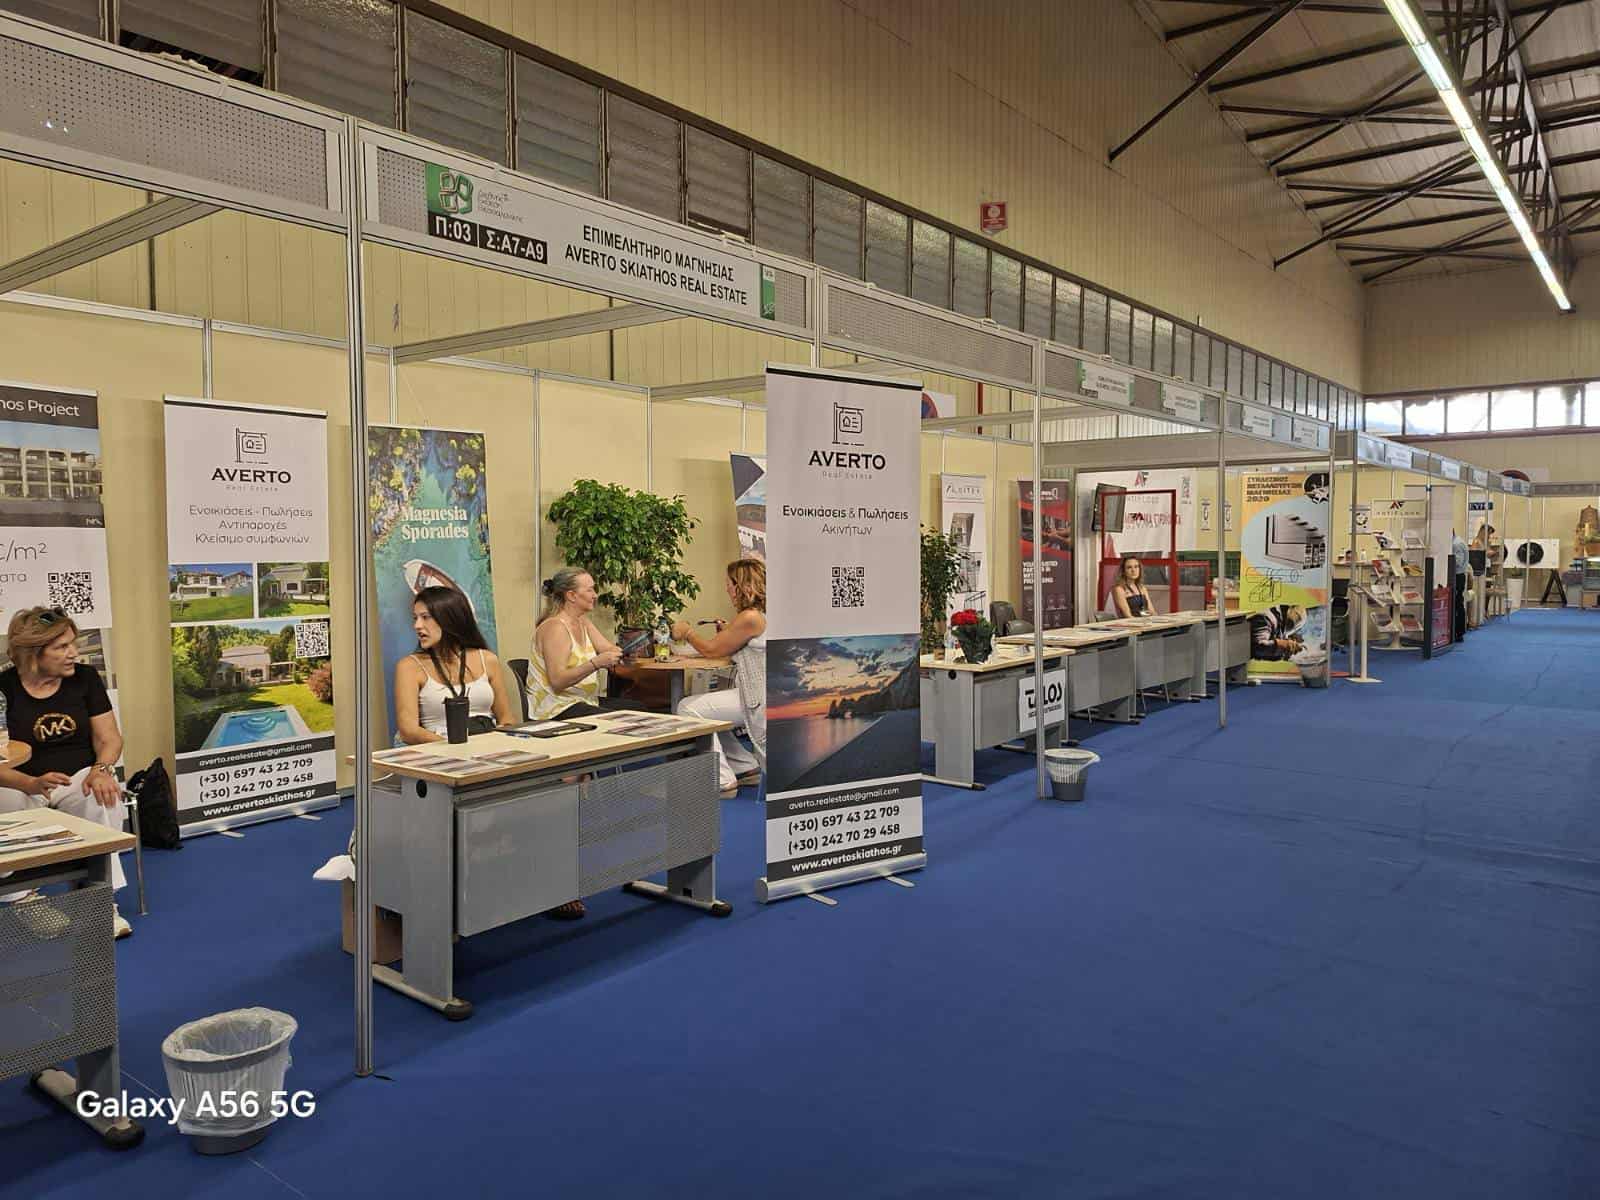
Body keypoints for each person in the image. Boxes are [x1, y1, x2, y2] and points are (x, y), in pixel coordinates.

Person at [0, 607, 132, 939]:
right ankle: (23, 899)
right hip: (21, 783)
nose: (74, 652)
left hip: (77, 778)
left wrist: (102, 770)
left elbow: (109, 738)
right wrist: (30, 783)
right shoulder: (3, 688)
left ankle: (100, 899)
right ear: (33, 653)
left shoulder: (85, 678)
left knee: (103, 795)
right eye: (62, 647)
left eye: (73, 643)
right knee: (3, 800)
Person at [670, 560, 768, 799]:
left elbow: (712, 650)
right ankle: (745, 766)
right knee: (708, 713)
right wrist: (727, 633)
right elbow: (731, 647)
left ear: (741, 585)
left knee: (688, 708)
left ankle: (722, 781)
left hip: (758, 697)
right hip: (762, 692)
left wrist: (688, 632)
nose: (727, 590)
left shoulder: (750, 617)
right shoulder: (762, 614)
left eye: (729, 585)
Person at [394, 586, 516, 744]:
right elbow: (408, 731)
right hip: (440, 748)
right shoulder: (409, 667)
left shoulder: (487, 659)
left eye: (425, 617)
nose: (417, 626)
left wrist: (496, 742)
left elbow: (507, 718)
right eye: (415, 618)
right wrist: (455, 748)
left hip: (487, 746)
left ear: (449, 619)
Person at [526, 567, 639, 720]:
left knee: (638, 709)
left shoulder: (582, 621)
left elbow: (607, 648)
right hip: (556, 708)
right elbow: (557, 681)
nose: (595, 595)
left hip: (584, 701)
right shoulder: (555, 628)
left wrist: (623, 654)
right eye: (590, 590)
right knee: (621, 720)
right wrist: (596, 663)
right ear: (571, 595)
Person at [1110, 554, 1155, 618]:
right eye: (1129, 567)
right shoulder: (1119, 589)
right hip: (1130, 622)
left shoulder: (1142, 587)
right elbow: (1127, 615)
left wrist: (1157, 620)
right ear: (1123, 571)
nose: (1133, 570)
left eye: (1136, 567)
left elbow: (1152, 611)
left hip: (1146, 620)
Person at [1451, 529, 1470, 641]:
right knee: (1458, 603)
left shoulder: (1456, 544)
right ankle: (1459, 632)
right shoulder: (1458, 541)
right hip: (1459, 576)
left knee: (1457, 604)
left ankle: (1459, 632)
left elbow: (1457, 562)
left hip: (1457, 576)